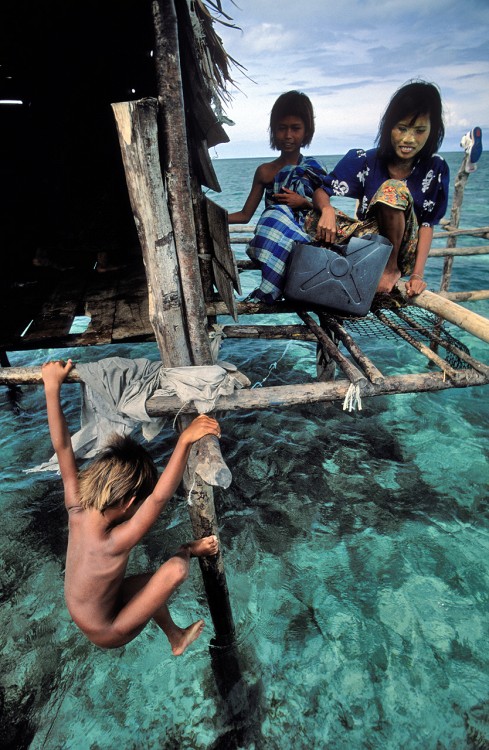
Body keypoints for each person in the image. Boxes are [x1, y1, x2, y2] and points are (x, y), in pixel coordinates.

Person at [42, 358, 221, 653]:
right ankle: (189, 549)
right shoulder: (113, 541)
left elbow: (62, 446)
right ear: (129, 503)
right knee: (176, 569)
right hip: (109, 630)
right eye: (139, 505)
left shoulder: (75, 503)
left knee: (150, 586)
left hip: (89, 610)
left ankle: (175, 636)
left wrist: (52, 387)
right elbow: (159, 497)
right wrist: (184, 441)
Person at [308, 80, 450, 296]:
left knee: (391, 189)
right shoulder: (366, 159)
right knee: (309, 217)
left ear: (432, 131)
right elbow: (322, 190)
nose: (408, 139)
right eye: (401, 128)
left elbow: (427, 224)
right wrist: (326, 210)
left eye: (420, 131)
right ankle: (353, 264)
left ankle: (389, 269)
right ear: (389, 127)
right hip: (370, 243)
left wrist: (417, 275)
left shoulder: (434, 168)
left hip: (402, 251)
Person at [228, 90, 327, 303]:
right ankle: (276, 284)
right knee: (276, 213)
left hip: (303, 240)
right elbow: (245, 215)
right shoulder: (265, 171)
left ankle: (275, 287)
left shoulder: (313, 169)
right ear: (274, 131)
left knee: (280, 213)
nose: (288, 135)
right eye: (282, 128)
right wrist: (211, 215)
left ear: (306, 131)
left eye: (295, 128)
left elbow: (325, 214)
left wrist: (303, 203)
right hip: (272, 237)